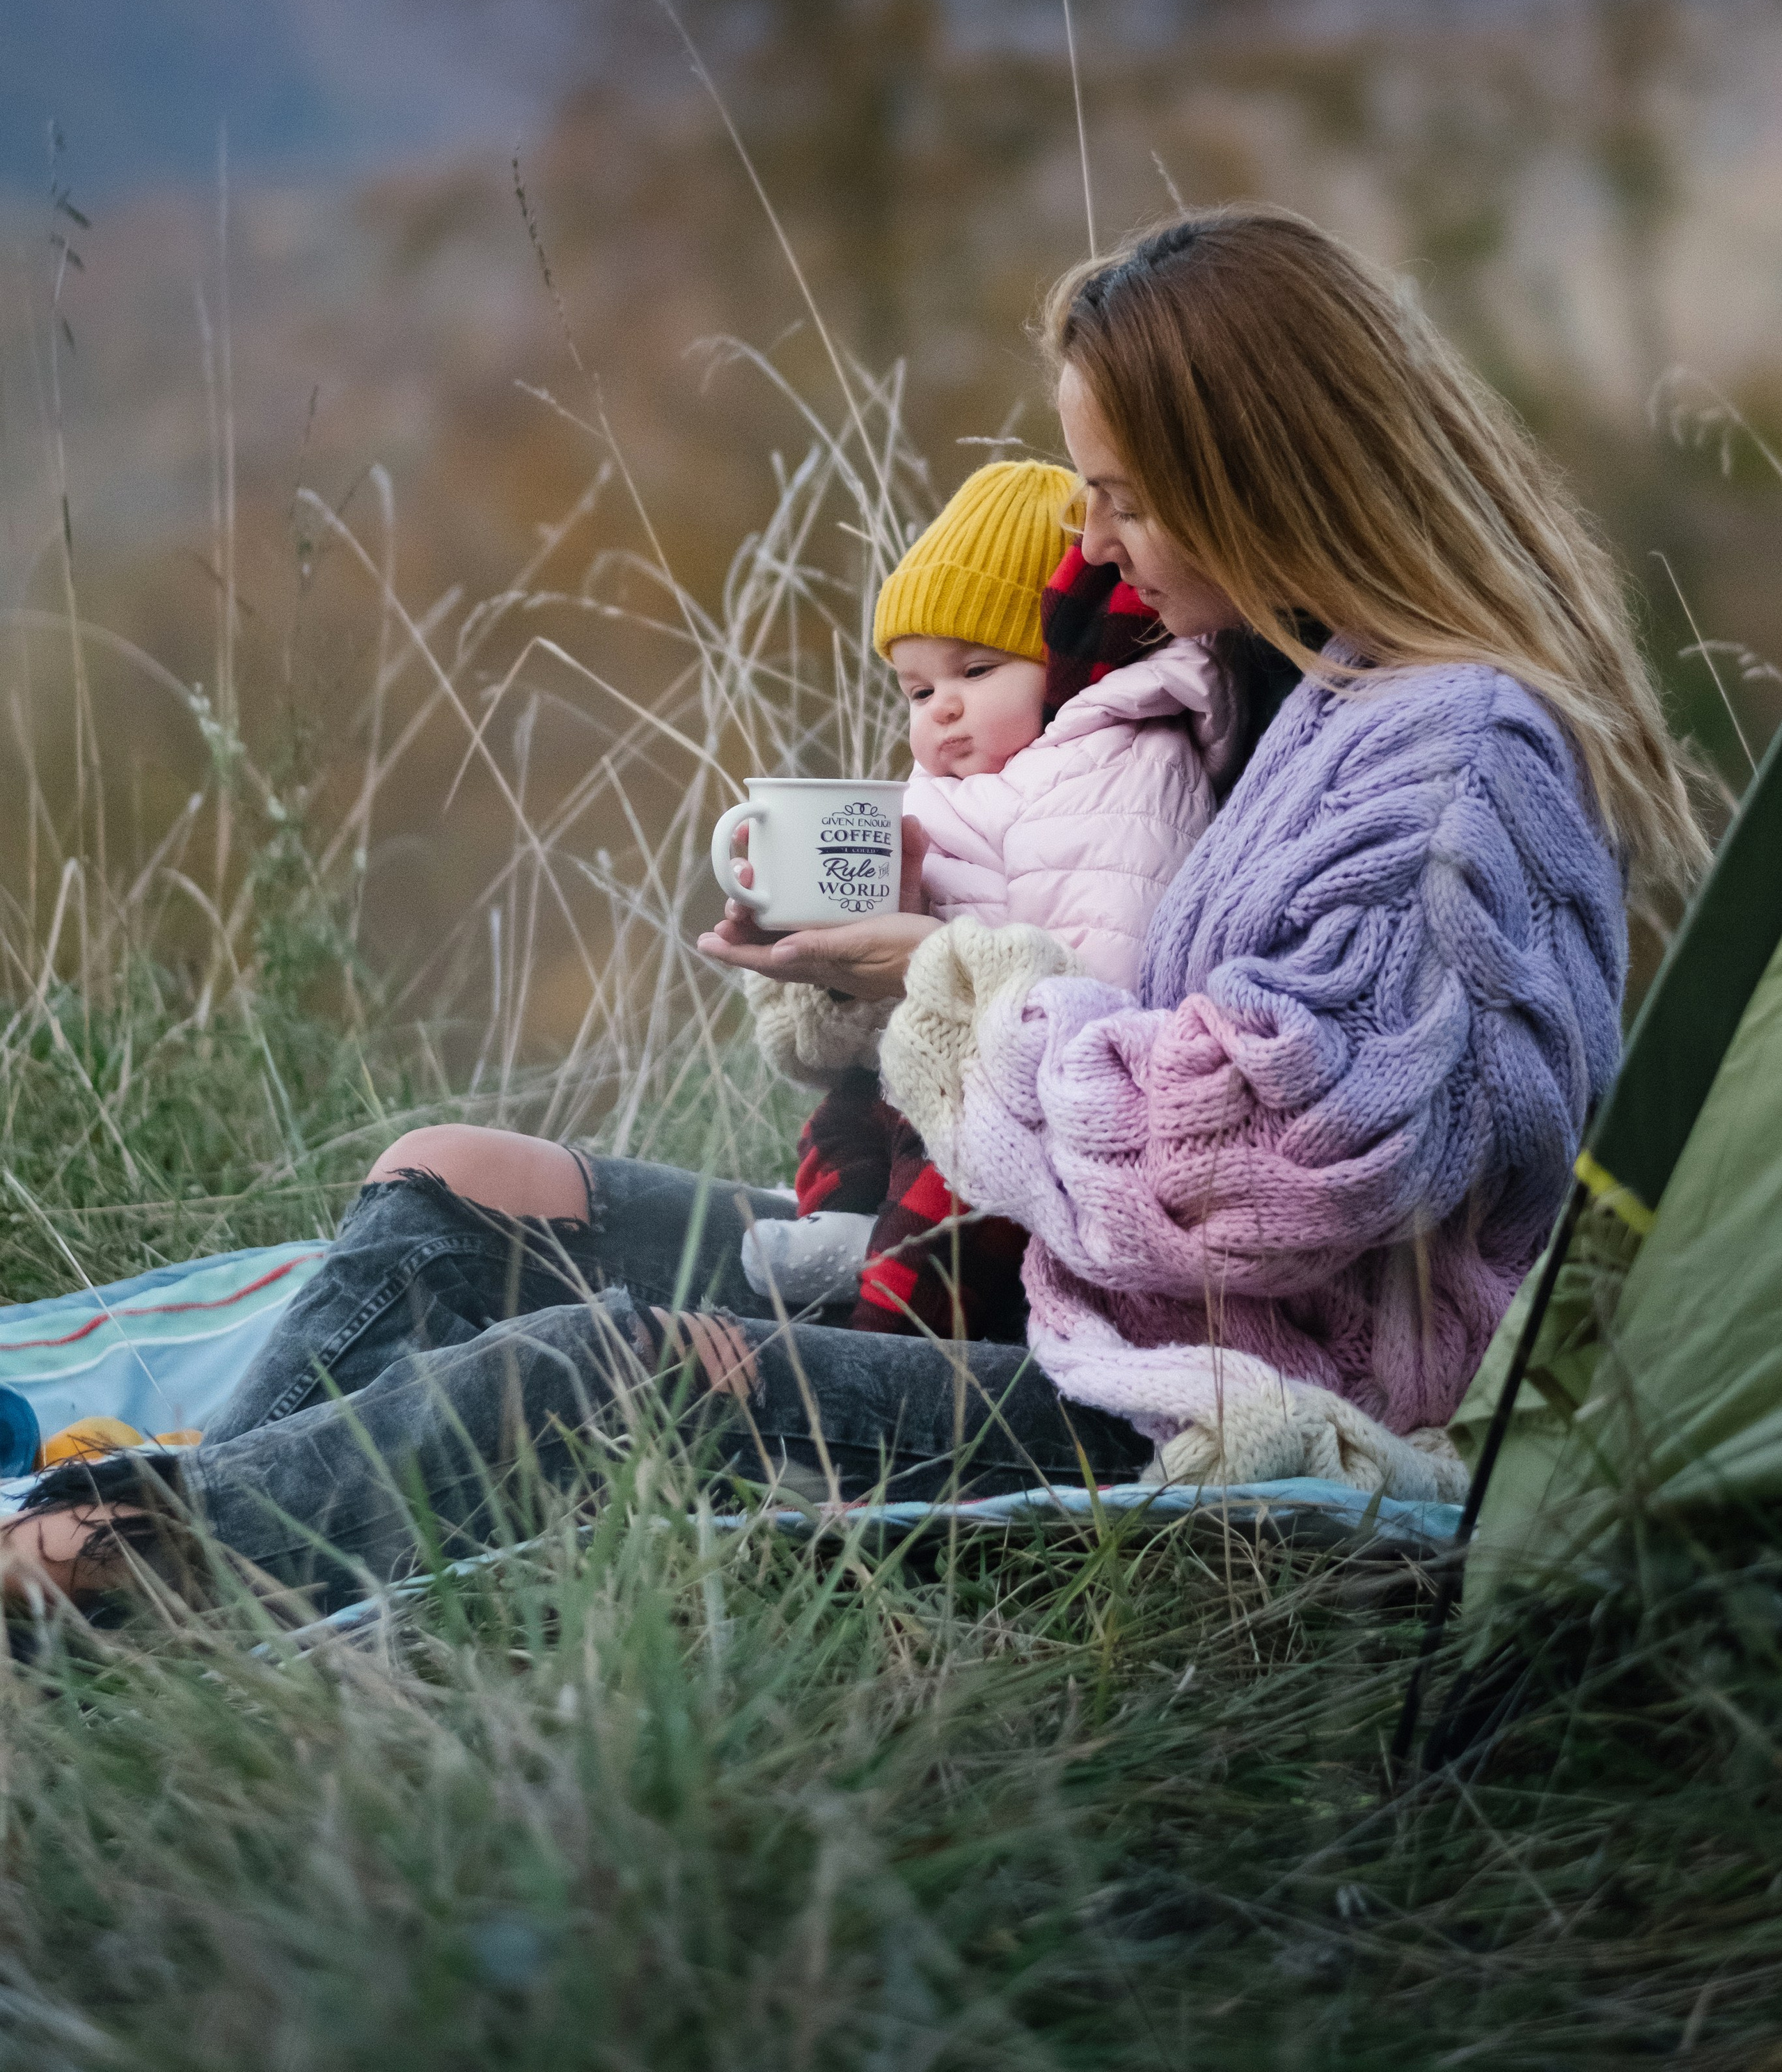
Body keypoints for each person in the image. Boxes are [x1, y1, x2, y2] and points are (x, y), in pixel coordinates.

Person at [0, 208, 1701, 1615]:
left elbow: (1249, 1168)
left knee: (608, 1371)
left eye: (1117, 494)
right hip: (1045, 1287)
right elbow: (1099, 940)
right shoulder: (1264, 691)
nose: (1091, 549)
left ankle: (103, 1593)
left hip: (1209, 1402)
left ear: (1253, 467)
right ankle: (145, 1526)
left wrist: (938, 982)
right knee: (455, 1192)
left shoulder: (1450, 768)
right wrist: (902, 918)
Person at [746, 453, 1231, 1341]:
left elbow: (1110, 965)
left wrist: (930, 969)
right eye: (920, 689)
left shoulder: (1120, 763)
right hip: (936, 1062)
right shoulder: (949, 786)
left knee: (953, 1195)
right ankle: (847, 1229)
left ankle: (881, 1335)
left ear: (1058, 661)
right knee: (848, 1114)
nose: (943, 711)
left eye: (977, 671)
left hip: (1026, 1107)